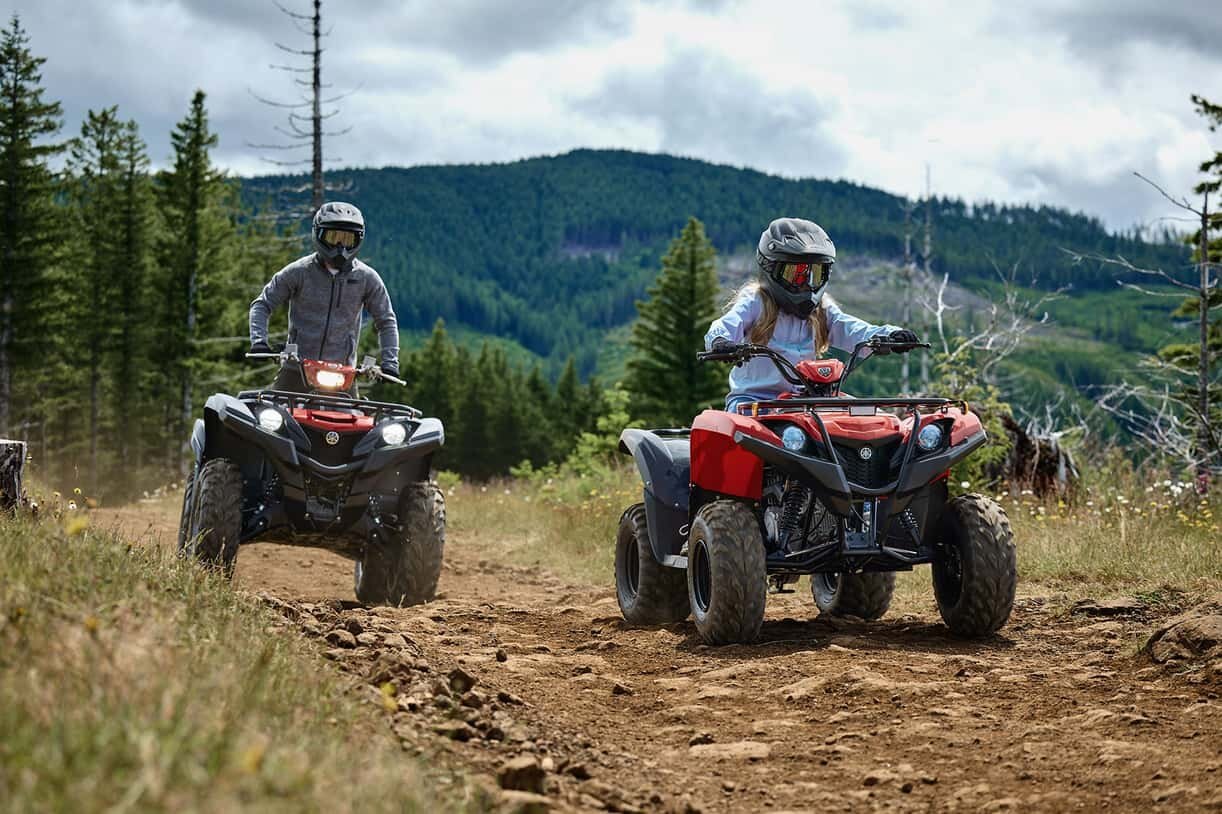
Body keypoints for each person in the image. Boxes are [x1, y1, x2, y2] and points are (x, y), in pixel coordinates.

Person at [705, 217, 919, 412]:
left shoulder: (821, 311)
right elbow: (726, 324)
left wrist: (890, 335)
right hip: (754, 402)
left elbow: (854, 330)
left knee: (870, 417)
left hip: (806, 402)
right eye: (796, 275)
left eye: (815, 274)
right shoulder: (757, 302)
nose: (807, 283)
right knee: (757, 433)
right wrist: (721, 342)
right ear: (770, 268)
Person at [249, 202, 400, 394]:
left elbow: (386, 321)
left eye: (347, 239)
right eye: (333, 237)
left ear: (357, 240)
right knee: (270, 417)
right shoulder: (299, 272)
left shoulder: (367, 278)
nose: (340, 246)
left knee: (356, 421)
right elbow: (262, 304)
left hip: (343, 375)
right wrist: (259, 342)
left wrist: (390, 363)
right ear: (319, 234)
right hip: (296, 370)